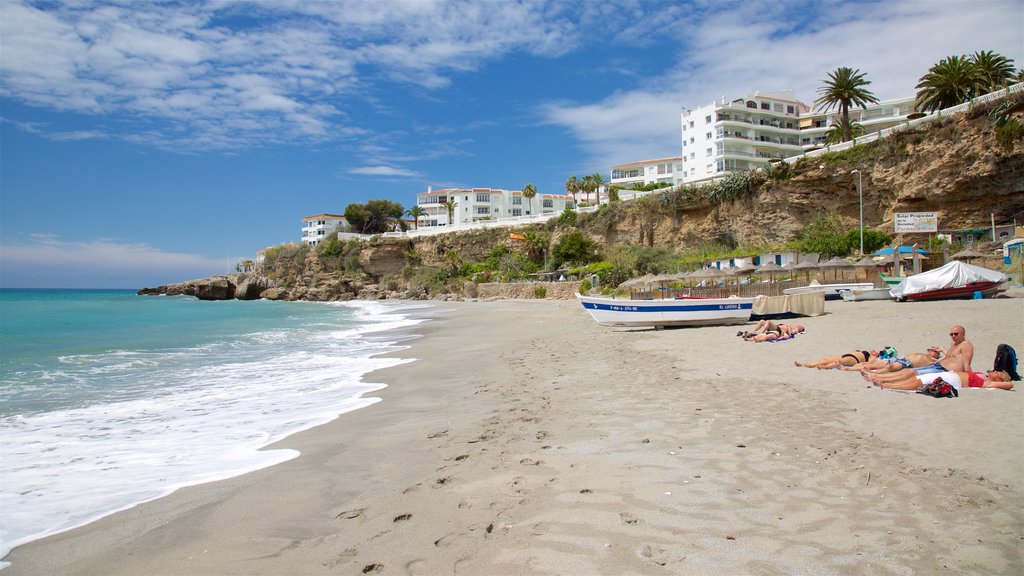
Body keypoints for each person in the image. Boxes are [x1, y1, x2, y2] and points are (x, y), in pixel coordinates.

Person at [868, 369, 1013, 391]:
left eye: (998, 372)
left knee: (919, 383)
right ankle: (887, 383)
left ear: (999, 377)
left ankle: (887, 385)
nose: (994, 371)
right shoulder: (984, 376)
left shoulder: (988, 383)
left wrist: (1001, 380)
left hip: (955, 381)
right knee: (918, 379)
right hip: (951, 375)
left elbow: (1010, 384)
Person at [850, 348, 942, 374]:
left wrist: (942, 350)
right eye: (929, 349)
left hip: (908, 363)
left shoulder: (935, 360)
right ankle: (849, 368)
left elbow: (950, 356)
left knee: (890, 367)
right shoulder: (925, 355)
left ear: (938, 354)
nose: (930, 351)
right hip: (901, 358)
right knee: (873, 364)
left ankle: (874, 373)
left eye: (933, 350)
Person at [795, 349, 879, 369]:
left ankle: (823, 367)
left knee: (831, 362)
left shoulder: (872, 357)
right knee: (824, 360)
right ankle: (803, 364)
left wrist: (874, 355)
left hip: (852, 358)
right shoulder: (869, 355)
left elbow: (870, 363)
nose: (873, 351)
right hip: (849, 356)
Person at [741, 321, 805, 342]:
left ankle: (762, 333)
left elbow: (791, 334)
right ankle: (752, 332)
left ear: (800, 329)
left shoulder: (795, 329)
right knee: (762, 321)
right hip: (775, 329)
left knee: (768, 321)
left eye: (801, 326)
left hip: (778, 331)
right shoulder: (792, 326)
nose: (800, 325)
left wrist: (788, 327)